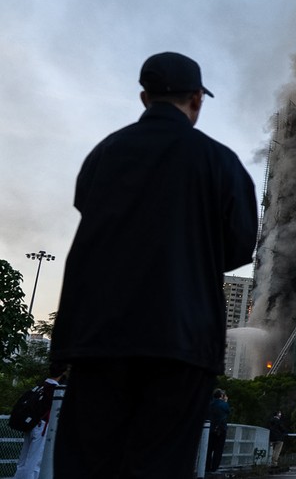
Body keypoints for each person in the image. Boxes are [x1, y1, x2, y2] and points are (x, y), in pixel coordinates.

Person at [49, 52, 259, 479]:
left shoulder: (104, 154)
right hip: (181, 342)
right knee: (162, 464)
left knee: (87, 463)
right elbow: (239, 247)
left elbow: (86, 212)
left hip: (97, 339)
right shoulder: (221, 163)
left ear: (145, 97)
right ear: (197, 100)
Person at [13, 363, 68, 479]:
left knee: (23, 461)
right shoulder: (55, 389)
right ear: (63, 373)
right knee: (35, 462)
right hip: (41, 427)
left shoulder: (40, 386)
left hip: (30, 425)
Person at [206, 389, 230, 472]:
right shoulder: (223, 404)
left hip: (209, 429)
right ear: (221, 396)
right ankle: (214, 468)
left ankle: (206, 467)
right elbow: (228, 411)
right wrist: (226, 401)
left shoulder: (210, 403)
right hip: (221, 429)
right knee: (218, 450)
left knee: (208, 449)